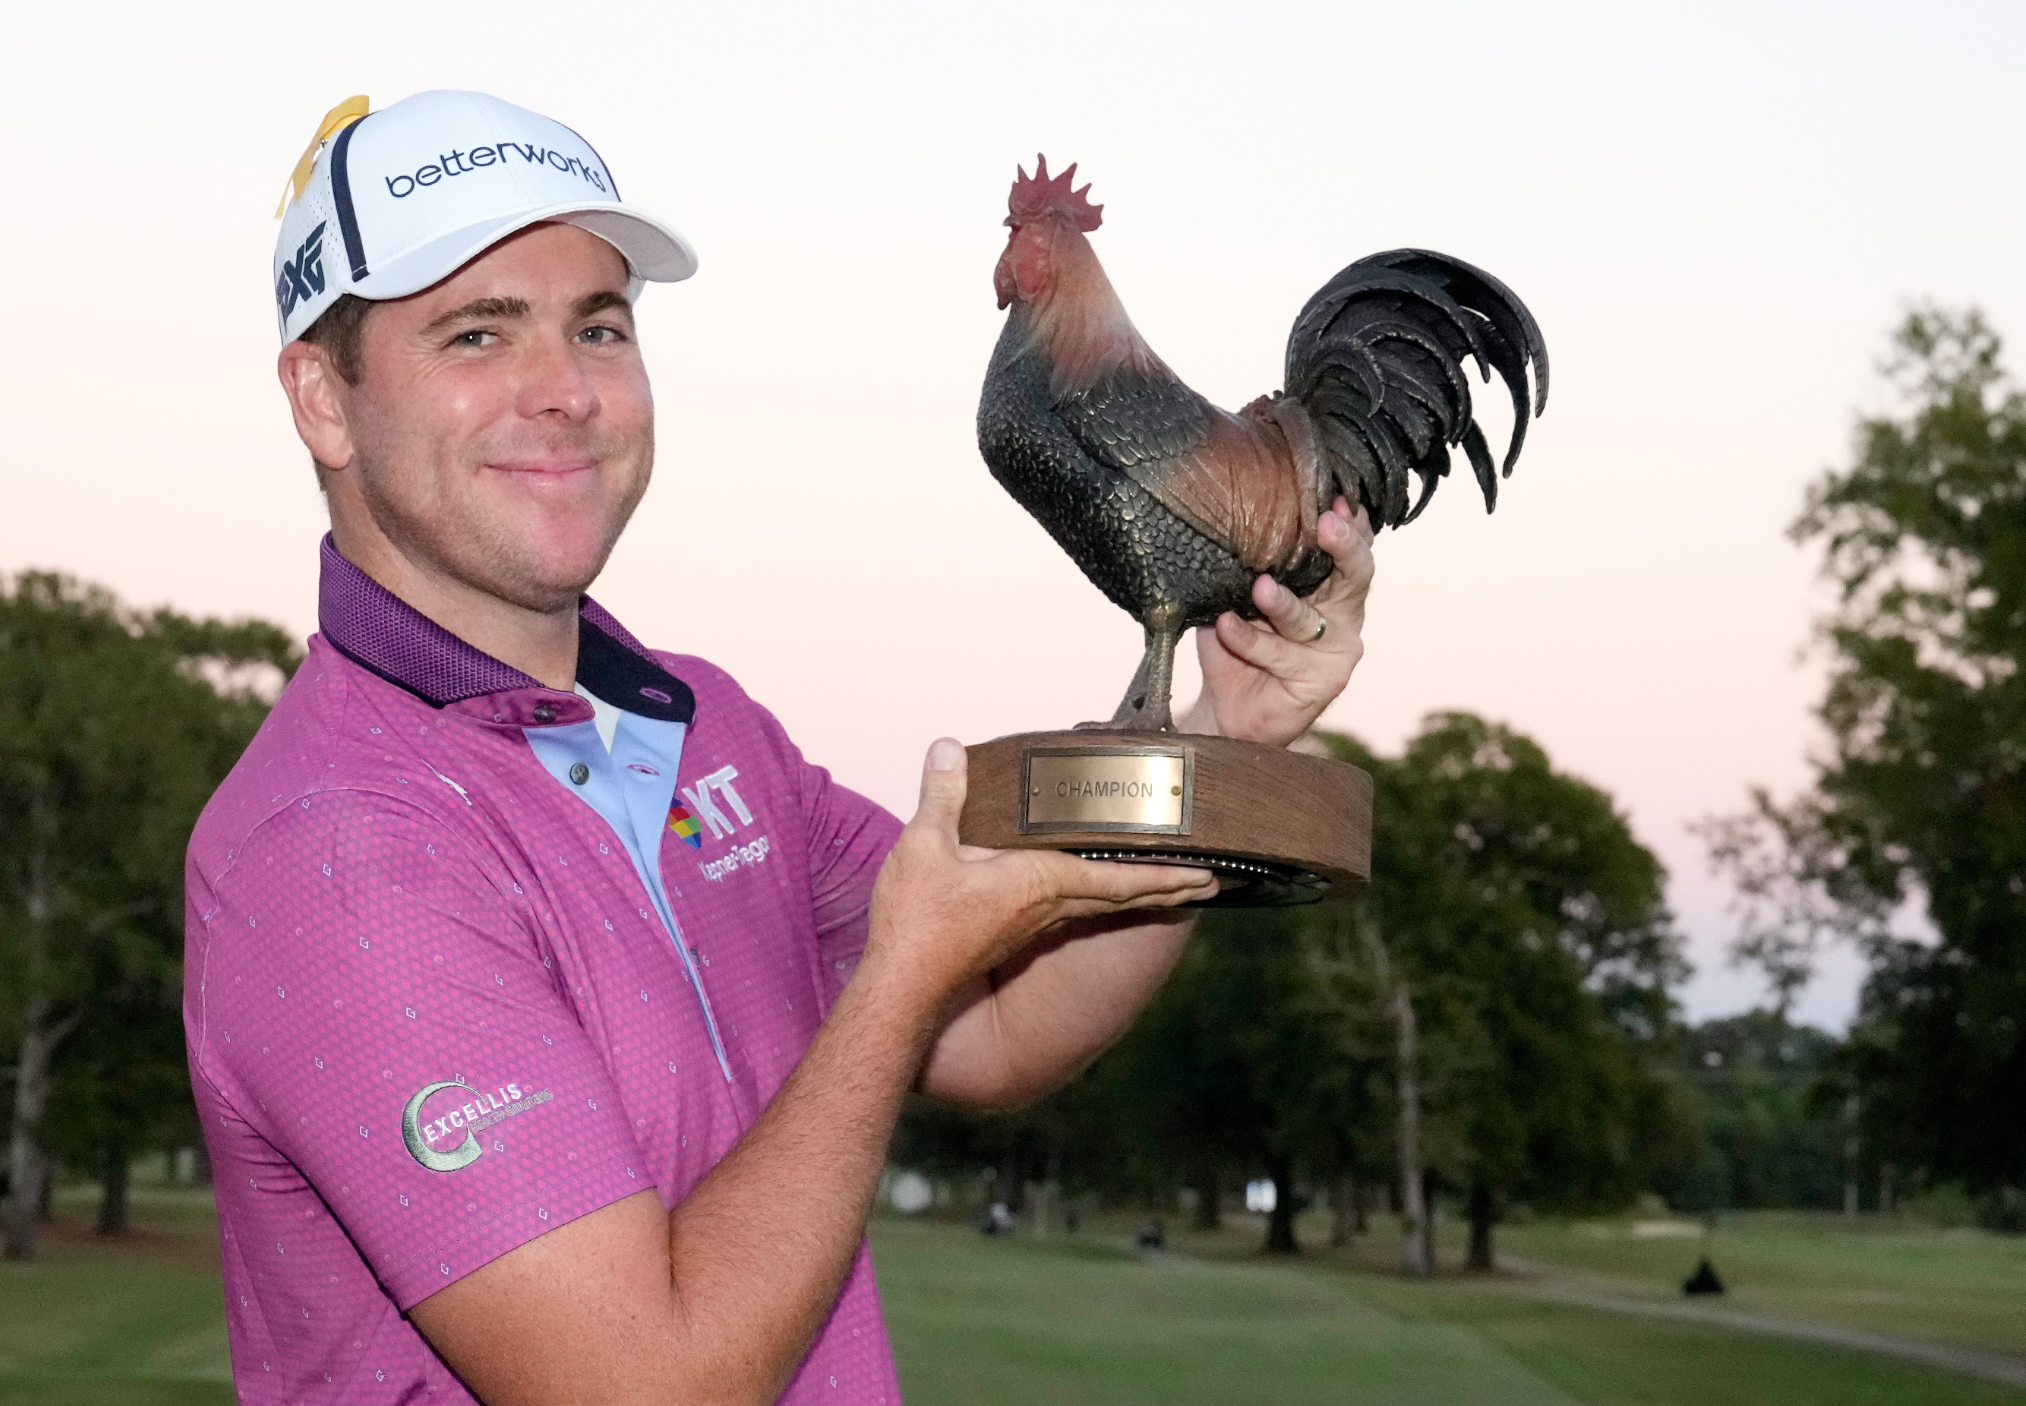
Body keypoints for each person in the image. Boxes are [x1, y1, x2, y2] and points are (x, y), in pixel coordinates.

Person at [184, 89, 1374, 1406]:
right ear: (323, 399)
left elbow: (993, 1019)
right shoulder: (339, 851)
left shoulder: (698, 723)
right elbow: (647, 1387)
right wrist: (898, 977)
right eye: (478, 332)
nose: (567, 390)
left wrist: (1225, 733)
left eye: (600, 325)